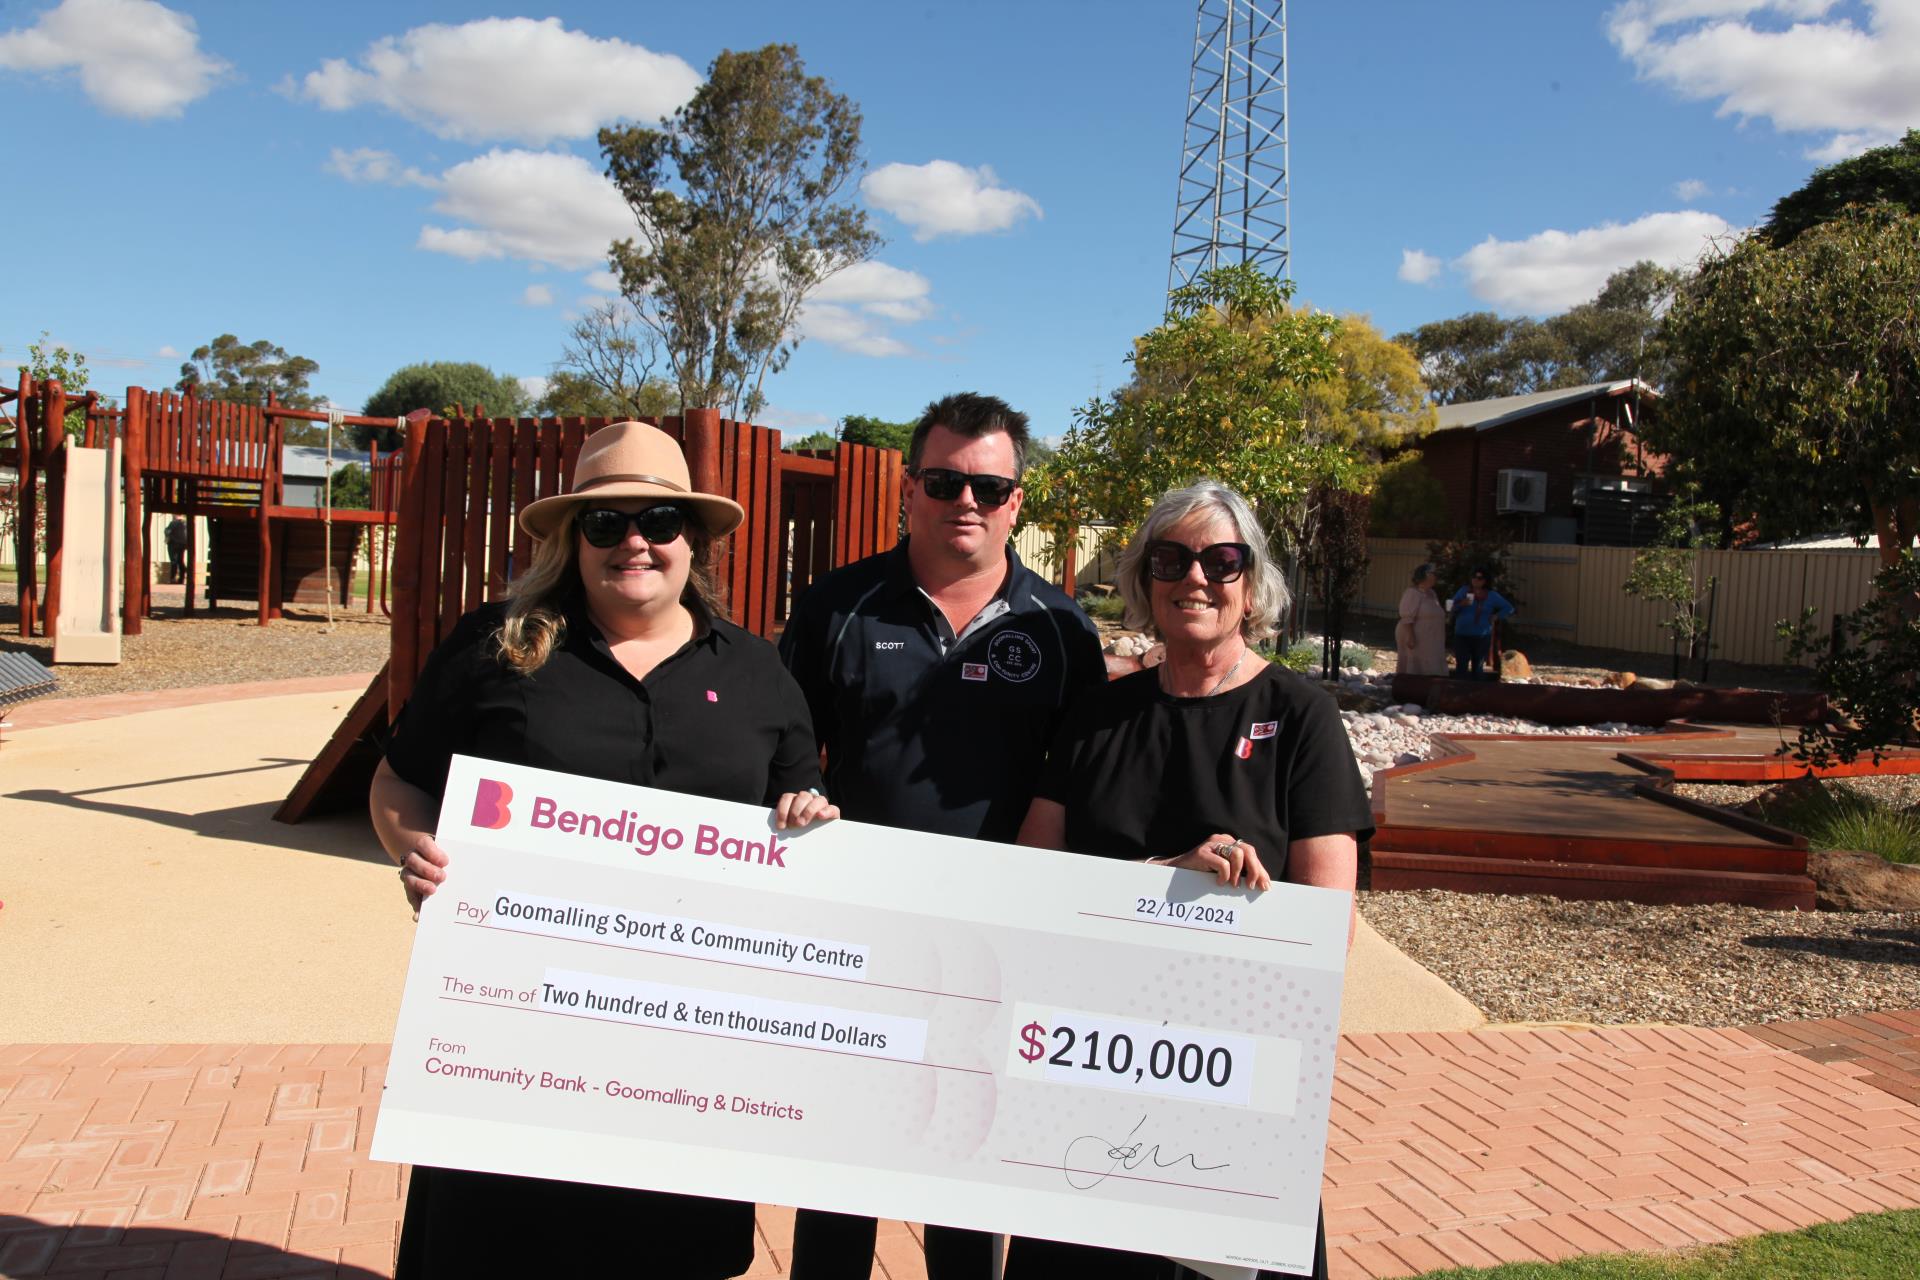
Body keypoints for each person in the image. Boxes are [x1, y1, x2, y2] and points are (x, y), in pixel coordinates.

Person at [369, 420, 835, 1280]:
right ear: (569, 538)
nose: (634, 542)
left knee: (664, 1252)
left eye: (659, 520)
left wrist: (809, 824)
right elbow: (398, 783)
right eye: (605, 522)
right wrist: (419, 854)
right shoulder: (495, 648)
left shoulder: (758, 675)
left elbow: (794, 814)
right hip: (513, 1029)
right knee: (495, 1243)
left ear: (691, 537)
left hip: (687, 1041)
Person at [778, 391, 1108, 1279]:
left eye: (990, 487)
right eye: (944, 480)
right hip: (858, 935)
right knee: (840, 1174)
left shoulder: (1063, 630)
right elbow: (780, 751)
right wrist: (797, 798)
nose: (967, 500)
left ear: (1017, 504)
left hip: (993, 948)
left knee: (967, 1176)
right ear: (908, 487)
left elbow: (1084, 788)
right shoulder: (838, 607)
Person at [1009, 480, 1373, 1280]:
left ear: (1252, 584)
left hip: (1234, 1075)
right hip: (1088, 1070)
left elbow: (1328, 929)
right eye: (1171, 560)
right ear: (1144, 581)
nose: (1195, 578)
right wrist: (1160, 883)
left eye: (1221, 560)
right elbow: (1028, 887)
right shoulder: (1099, 717)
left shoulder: (1301, 715)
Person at [1448, 567, 1514, 680]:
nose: (1475, 580)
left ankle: (1476, 693)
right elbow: (1450, 607)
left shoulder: (1491, 595)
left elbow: (1509, 608)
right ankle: (1458, 692)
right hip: (1462, 634)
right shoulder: (1464, 591)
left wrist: (1496, 616)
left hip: (1481, 635)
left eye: (1479, 578)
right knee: (1461, 666)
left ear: (1485, 581)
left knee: (1478, 668)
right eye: (1473, 577)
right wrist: (1461, 604)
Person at [1395, 562, 1447, 676]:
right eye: (1434, 574)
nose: (1436, 576)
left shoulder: (1432, 593)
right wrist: (1410, 635)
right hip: (1415, 635)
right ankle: (1412, 687)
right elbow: (1407, 615)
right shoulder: (1412, 592)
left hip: (1431, 637)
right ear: (1426, 575)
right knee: (1416, 665)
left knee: (1431, 664)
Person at [164, 517, 189, 585]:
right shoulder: (185, 524)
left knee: (174, 561)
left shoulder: (173, 523)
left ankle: (172, 578)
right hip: (183, 545)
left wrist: (166, 531)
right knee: (180, 561)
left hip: (173, 544)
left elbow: (167, 531)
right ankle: (181, 579)